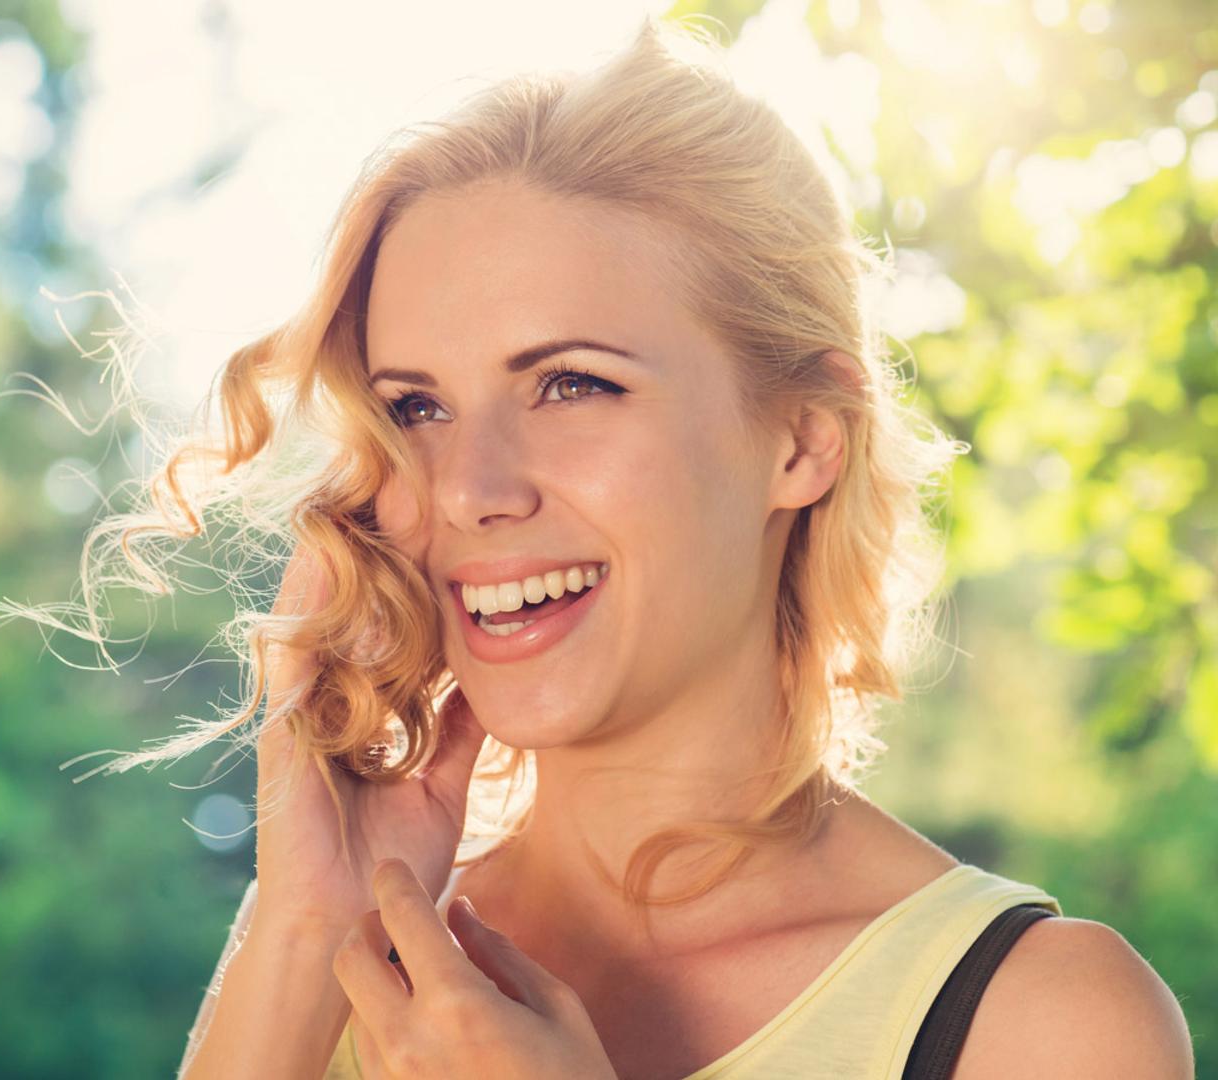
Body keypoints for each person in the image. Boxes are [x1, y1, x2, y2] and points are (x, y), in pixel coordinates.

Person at [66, 14, 1195, 1079]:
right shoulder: (343, 975)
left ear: (804, 440)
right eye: (417, 407)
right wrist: (303, 928)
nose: (469, 489)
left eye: (571, 384)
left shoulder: (1038, 1021)